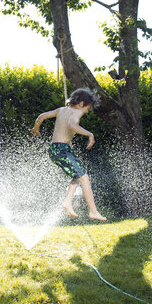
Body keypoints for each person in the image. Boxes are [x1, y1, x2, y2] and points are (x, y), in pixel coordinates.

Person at [30, 88, 107, 221]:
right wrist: (90, 134)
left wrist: (36, 128)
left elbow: (41, 116)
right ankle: (93, 211)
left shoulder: (60, 110)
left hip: (55, 149)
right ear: (81, 104)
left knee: (78, 175)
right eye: (87, 109)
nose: (86, 112)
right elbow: (72, 125)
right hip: (62, 150)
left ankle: (67, 202)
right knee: (84, 177)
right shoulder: (77, 112)